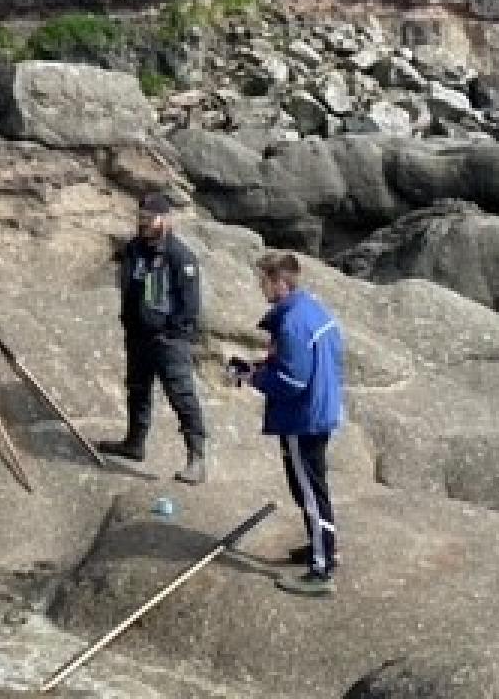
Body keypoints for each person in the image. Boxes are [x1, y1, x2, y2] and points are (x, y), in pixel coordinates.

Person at [233, 250, 345, 598]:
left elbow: (293, 382)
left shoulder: (292, 322)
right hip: (321, 408)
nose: (261, 287)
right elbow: (313, 361)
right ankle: (323, 546)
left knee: (309, 490)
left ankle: (321, 568)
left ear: (280, 283)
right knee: (314, 485)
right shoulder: (312, 309)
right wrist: (260, 366)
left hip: (303, 418)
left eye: (264, 280)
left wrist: (254, 379)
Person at [98, 190, 209, 484]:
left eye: (150, 218)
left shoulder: (180, 256)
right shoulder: (135, 248)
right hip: (138, 336)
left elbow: (190, 305)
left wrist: (170, 331)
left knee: (181, 396)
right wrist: (130, 323)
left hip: (169, 340)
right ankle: (134, 443)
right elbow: (130, 288)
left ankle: (196, 458)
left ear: (165, 219)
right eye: (141, 217)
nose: (144, 223)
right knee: (137, 390)